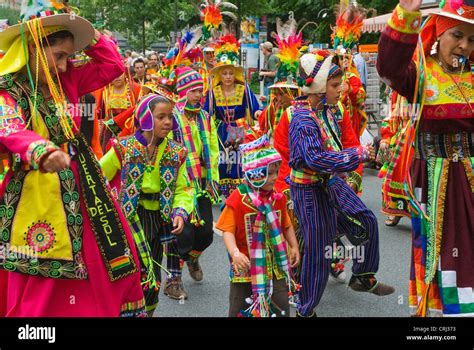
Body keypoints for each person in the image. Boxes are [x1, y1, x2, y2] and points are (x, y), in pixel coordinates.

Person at [0, 0, 145, 317]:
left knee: (103, 263)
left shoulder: (67, 80)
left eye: (70, 56)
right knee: (41, 277)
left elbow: (112, 67)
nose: (66, 64)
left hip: (83, 188)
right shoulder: (7, 90)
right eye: (59, 55)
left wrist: (86, 33)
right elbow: (9, 128)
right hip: (34, 196)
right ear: (35, 48)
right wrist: (42, 150)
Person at [377, 0, 474, 316]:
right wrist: (405, 14)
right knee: (447, 253)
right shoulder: (421, 74)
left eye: (472, 39)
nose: (464, 46)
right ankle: (453, 310)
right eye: (457, 35)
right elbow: (388, 68)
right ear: (440, 36)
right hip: (436, 181)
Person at [288, 51, 395, 317]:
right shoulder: (302, 119)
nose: (341, 89)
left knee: (366, 221)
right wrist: (356, 154)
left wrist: (363, 154)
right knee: (317, 253)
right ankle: (306, 308)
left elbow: (337, 145)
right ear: (318, 87)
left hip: (332, 182)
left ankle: (361, 275)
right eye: (335, 85)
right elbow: (314, 159)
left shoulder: (329, 111)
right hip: (309, 190)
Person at [100, 91, 193, 316]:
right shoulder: (124, 148)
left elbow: (184, 188)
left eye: (170, 117)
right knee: (133, 273)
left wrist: (180, 211)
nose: (168, 122)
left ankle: (147, 312)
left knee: (152, 278)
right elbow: (98, 174)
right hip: (130, 218)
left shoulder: (176, 152)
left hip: (158, 219)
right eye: (161, 117)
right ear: (146, 118)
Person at [216, 135, 300, 317]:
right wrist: (235, 254)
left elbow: (286, 225)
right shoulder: (238, 199)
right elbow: (227, 231)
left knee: (280, 308)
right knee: (240, 308)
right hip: (245, 268)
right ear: (254, 173)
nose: (274, 178)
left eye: (276, 172)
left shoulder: (278, 198)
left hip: (275, 266)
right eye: (269, 173)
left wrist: (293, 246)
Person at [171, 67, 220, 287]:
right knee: (184, 234)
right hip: (181, 184)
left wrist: (213, 181)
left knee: (206, 235)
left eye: (200, 90)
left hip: (201, 183)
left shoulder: (206, 118)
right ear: (183, 92)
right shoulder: (172, 118)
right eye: (193, 91)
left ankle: (193, 258)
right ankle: (175, 278)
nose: (198, 95)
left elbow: (213, 149)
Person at [205, 34, 261, 199]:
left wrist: (261, 114)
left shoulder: (243, 89)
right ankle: (223, 193)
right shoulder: (212, 92)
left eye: (230, 73)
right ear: (219, 75)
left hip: (240, 130)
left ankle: (240, 192)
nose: (228, 77)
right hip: (221, 132)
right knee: (222, 161)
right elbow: (206, 113)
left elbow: (255, 108)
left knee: (239, 162)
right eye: (224, 73)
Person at [259, 41, 279, 107]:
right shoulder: (268, 57)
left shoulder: (272, 58)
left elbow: (274, 73)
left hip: (270, 83)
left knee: (267, 103)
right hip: (269, 83)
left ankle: (267, 116)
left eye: (262, 49)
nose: (262, 50)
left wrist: (263, 73)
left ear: (265, 48)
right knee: (267, 102)